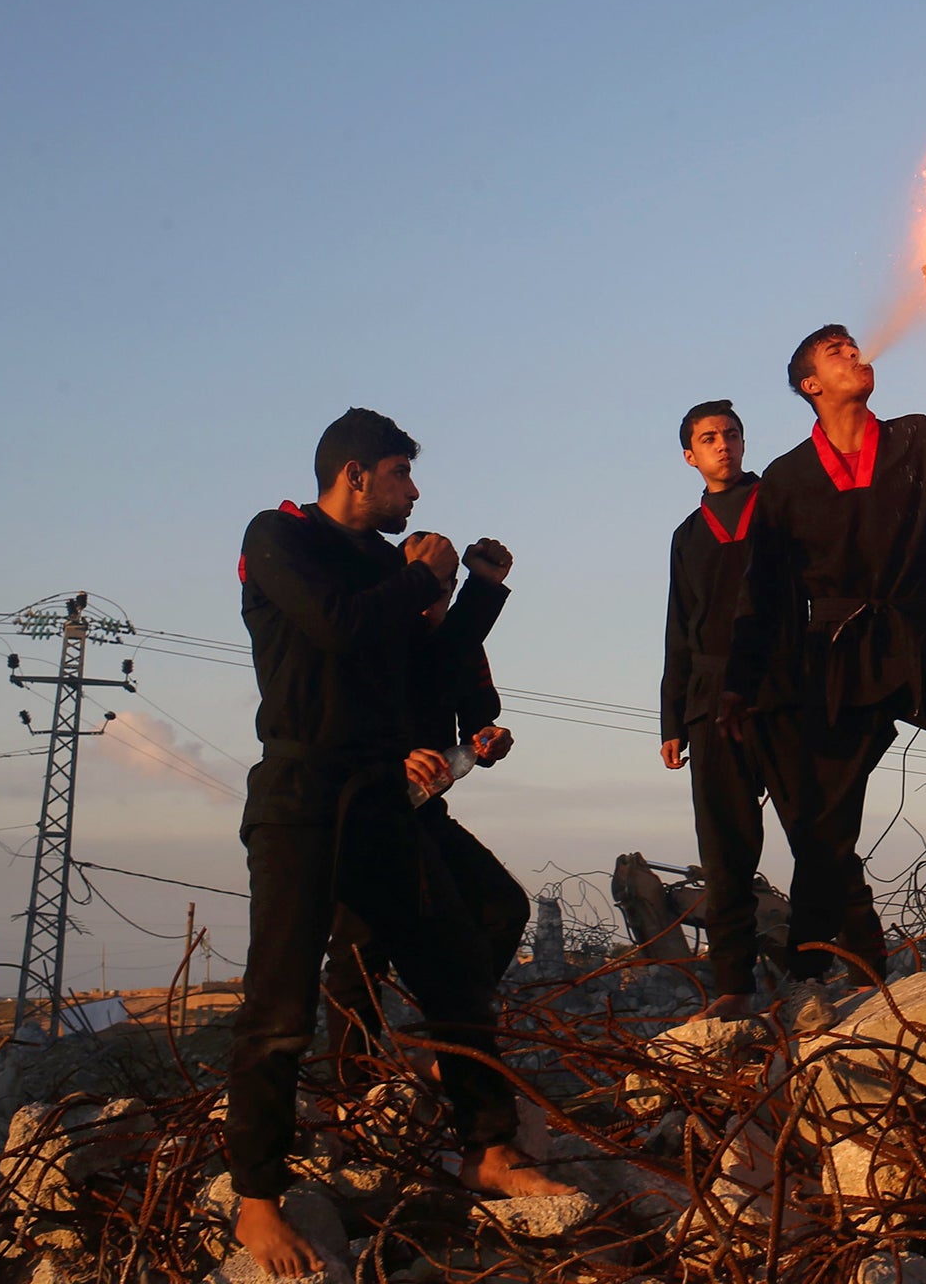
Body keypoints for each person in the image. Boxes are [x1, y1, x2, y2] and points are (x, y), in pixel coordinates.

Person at [230, 409, 567, 1278]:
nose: (413, 494)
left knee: (458, 961)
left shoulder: (389, 567)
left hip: (385, 798)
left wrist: (474, 590)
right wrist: (418, 578)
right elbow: (340, 626)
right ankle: (257, 1204)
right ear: (354, 475)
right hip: (301, 796)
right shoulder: (278, 538)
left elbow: (427, 661)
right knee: (278, 1007)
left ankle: (486, 1149)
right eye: (400, 476)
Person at [723, 325, 926, 1029]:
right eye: (834, 351)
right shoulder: (785, 478)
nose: (853, 354)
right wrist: (739, 685)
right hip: (837, 653)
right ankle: (809, 974)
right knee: (824, 825)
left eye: (853, 345)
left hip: (924, 634)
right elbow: (762, 594)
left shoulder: (919, 436)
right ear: (810, 384)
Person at [660, 399, 892, 1021]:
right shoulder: (687, 536)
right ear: (690, 455)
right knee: (725, 849)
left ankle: (868, 958)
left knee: (819, 833)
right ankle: (733, 983)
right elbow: (680, 628)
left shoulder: (780, 502)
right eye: (708, 438)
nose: (723, 445)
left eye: (731, 434)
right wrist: (672, 719)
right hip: (711, 710)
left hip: (788, 693)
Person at [323, 536, 529, 1081]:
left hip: (424, 814)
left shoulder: (460, 644)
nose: (429, 605)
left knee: (503, 910)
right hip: (363, 812)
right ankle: (351, 1083)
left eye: (442, 592)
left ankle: (453, 1041)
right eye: (422, 588)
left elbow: (479, 721)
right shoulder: (370, 639)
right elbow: (336, 730)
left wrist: (488, 741)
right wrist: (394, 763)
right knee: (357, 951)